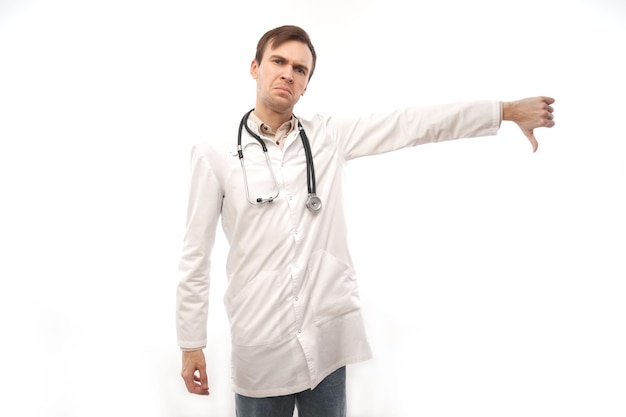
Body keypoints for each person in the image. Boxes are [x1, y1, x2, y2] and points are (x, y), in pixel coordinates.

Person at [176, 24, 555, 417]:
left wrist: (505, 111)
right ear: (255, 67)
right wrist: (190, 343)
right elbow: (195, 255)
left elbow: (413, 124)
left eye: (300, 69)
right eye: (278, 61)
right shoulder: (214, 152)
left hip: (326, 344)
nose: (288, 73)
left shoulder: (328, 136)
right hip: (260, 347)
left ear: (306, 85)